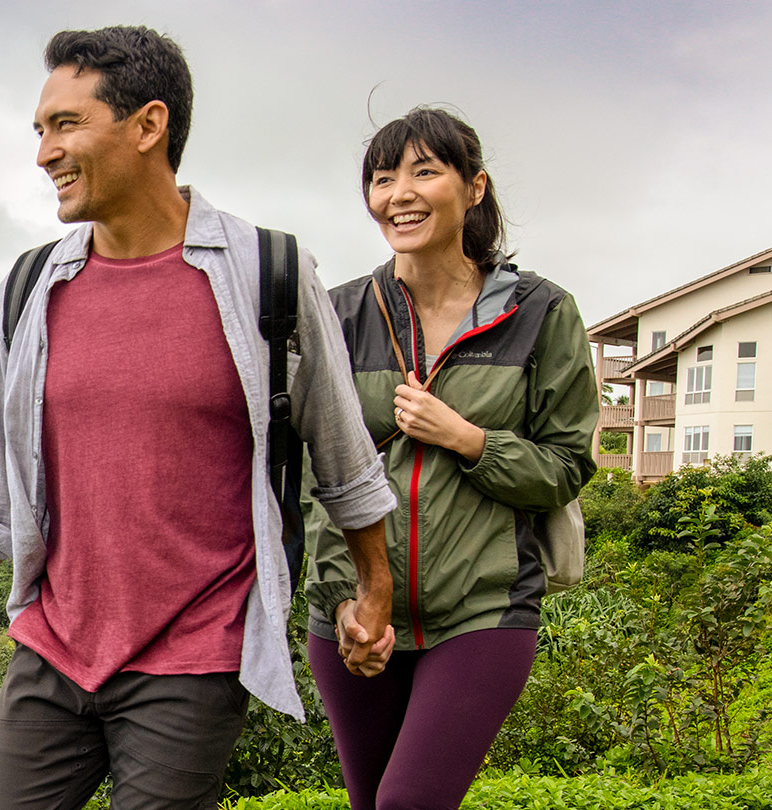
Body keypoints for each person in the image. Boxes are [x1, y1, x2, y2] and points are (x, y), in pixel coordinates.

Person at [0, 26, 398, 810]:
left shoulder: (266, 273)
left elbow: (344, 458)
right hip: (52, 651)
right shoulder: (31, 287)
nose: (44, 153)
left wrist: (375, 590)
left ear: (148, 125)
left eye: (67, 125)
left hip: (193, 660)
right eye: (40, 130)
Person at [305, 107, 599, 810]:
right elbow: (318, 479)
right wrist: (348, 604)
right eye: (382, 178)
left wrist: (470, 440)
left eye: (424, 172)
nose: (398, 193)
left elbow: (565, 466)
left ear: (474, 189)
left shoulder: (541, 313)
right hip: (354, 614)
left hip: (483, 610)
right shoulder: (339, 315)